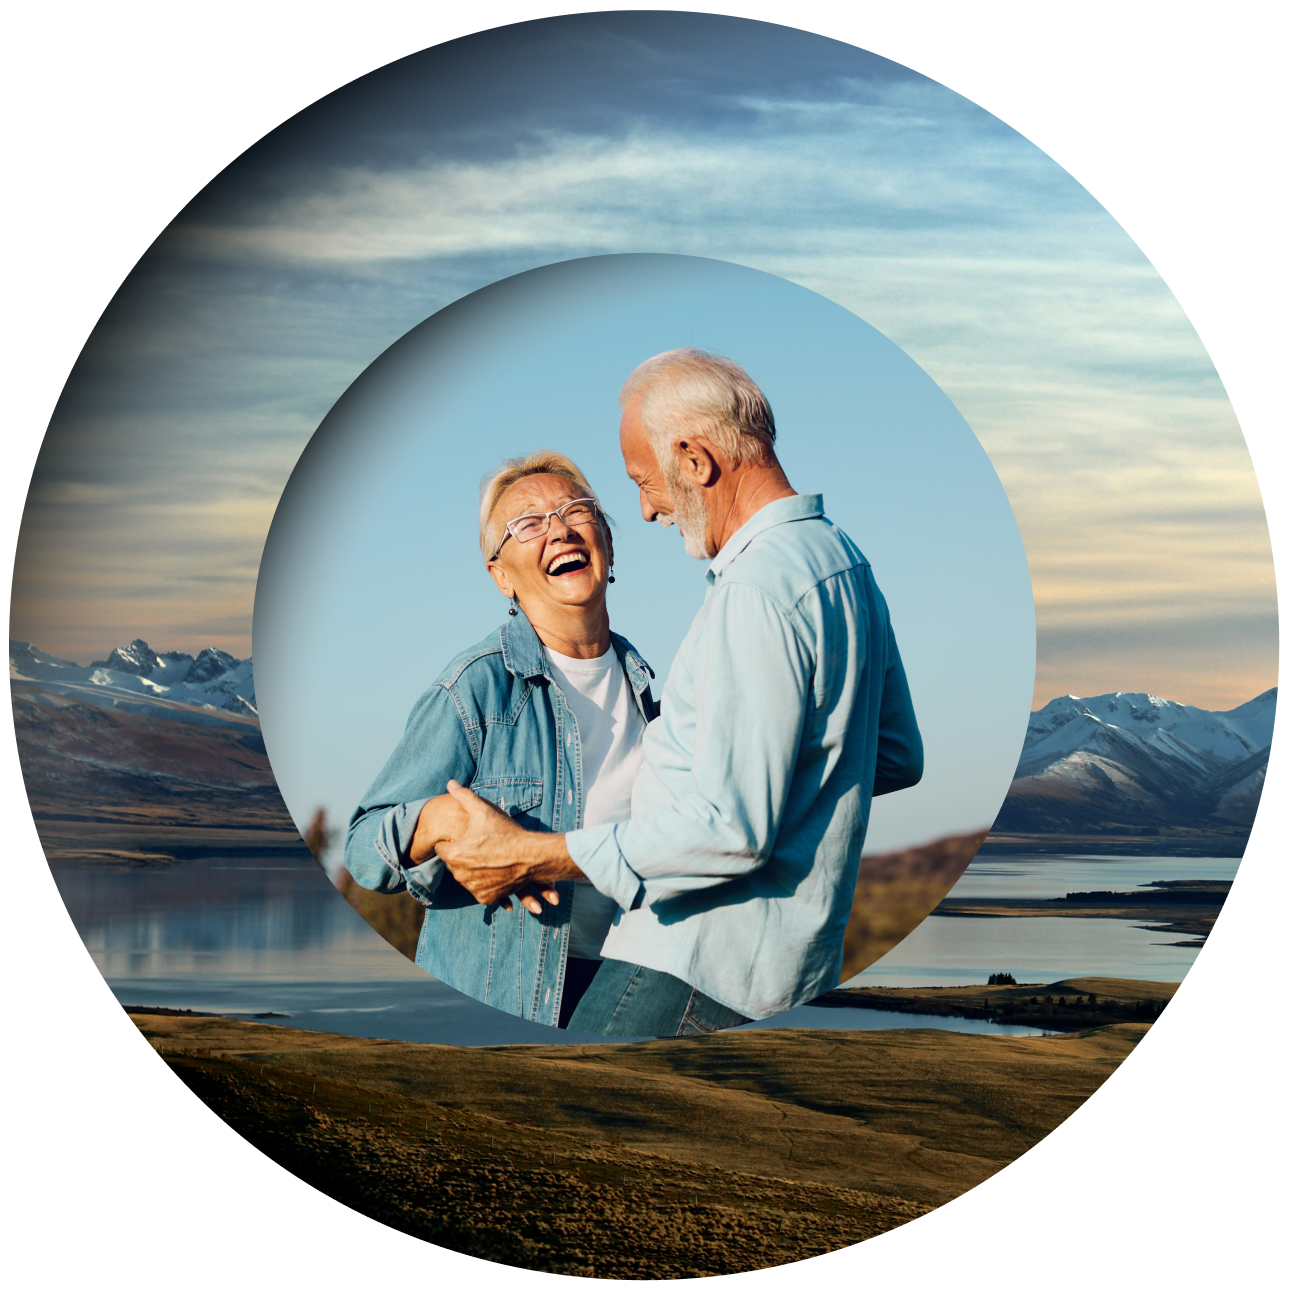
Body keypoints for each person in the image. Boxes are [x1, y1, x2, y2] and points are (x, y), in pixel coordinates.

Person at [438, 349, 924, 1035]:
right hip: (788, 970)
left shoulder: (754, 592)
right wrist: (787, 787)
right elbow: (897, 754)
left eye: (646, 481)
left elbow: (730, 830)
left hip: (684, 967)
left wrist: (535, 852)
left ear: (696, 461)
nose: (644, 510)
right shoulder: (844, 561)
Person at [344, 451, 662, 1029]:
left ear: (608, 543)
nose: (560, 529)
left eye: (576, 511)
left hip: (628, 985)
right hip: (509, 1000)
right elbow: (364, 848)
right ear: (501, 575)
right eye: (528, 524)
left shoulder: (651, 690)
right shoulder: (476, 688)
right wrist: (438, 818)